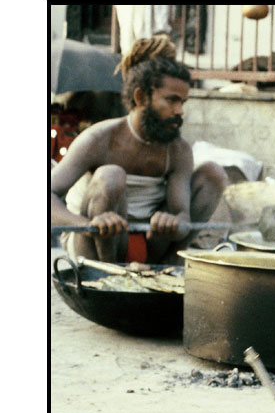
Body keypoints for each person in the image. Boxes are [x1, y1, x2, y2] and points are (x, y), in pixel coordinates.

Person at [51, 36, 228, 264]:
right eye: (172, 100)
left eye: (182, 102)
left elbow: (182, 214)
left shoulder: (178, 150)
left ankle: (167, 269)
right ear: (141, 97)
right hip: (92, 245)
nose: (180, 111)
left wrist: (174, 225)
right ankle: (107, 277)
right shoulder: (99, 138)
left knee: (214, 173)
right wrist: (86, 225)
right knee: (110, 175)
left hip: (152, 246)